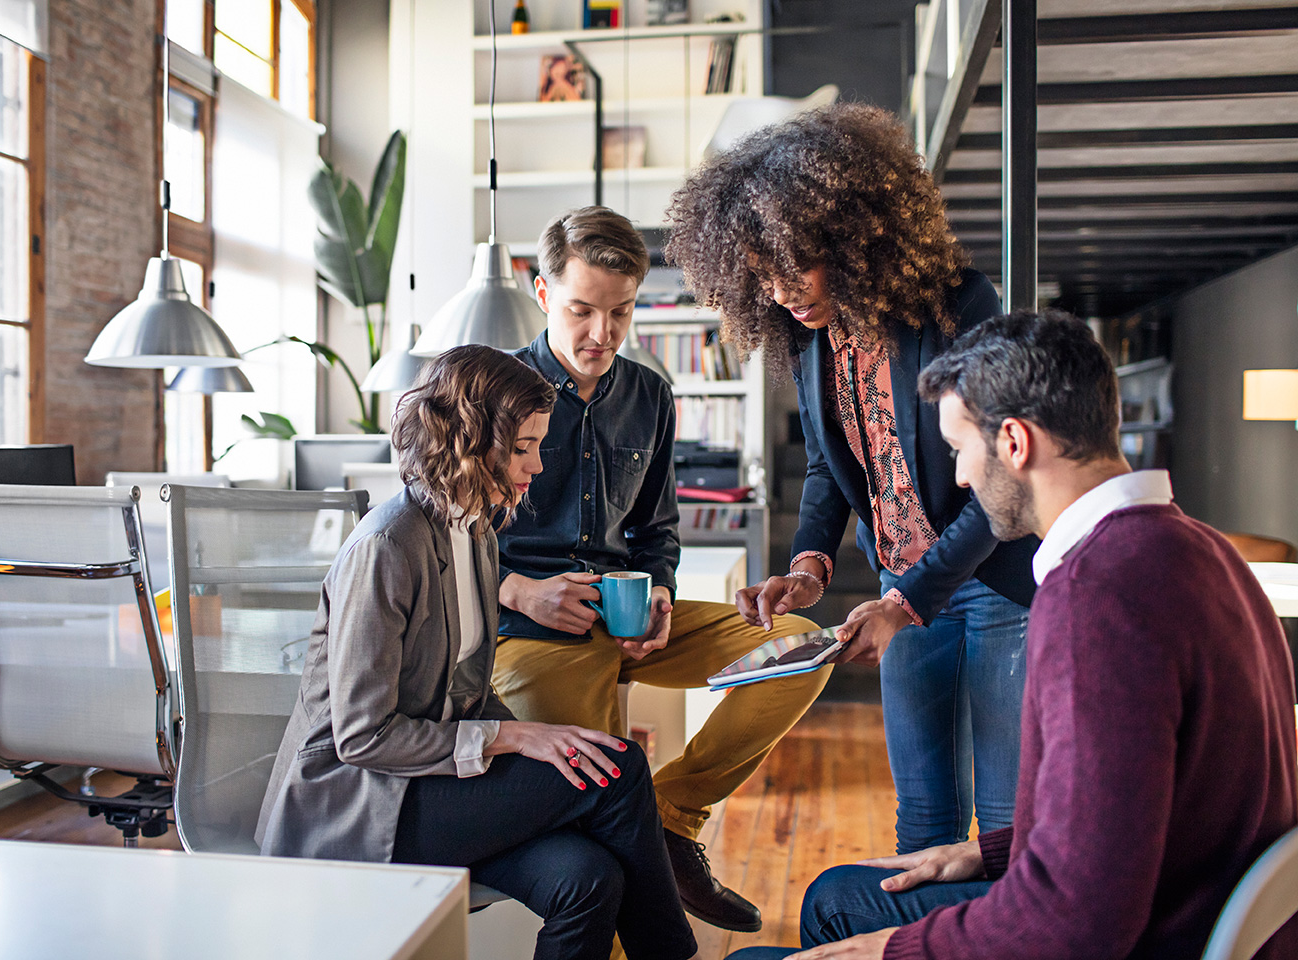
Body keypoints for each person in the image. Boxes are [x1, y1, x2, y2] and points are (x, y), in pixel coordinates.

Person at [729, 309, 1298, 960]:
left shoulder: (1094, 597)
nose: (960, 478)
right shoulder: (1206, 549)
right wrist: (985, 852)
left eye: (958, 450)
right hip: (1188, 904)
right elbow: (1126, 810)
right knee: (836, 896)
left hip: (1146, 935)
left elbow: (1076, 923)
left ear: (1015, 443)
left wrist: (890, 950)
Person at [665, 104, 1037, 854]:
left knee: (1005, 823)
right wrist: (807, 568)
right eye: (762, 276)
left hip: (993, 582)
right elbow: (828, 466)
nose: (780, 293)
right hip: (900, 582)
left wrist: (904, 603)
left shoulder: (957, 304)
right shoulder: (810, 338)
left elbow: (998, 480)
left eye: (794, 268)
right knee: (924, 819)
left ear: (851, 239)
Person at [256, 345, 697, 960]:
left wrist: (536, 743)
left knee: (589, 877)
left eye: (538, 445)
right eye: (522, 448)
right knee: (618, 769)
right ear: (466, 441)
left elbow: (466, 688)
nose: (537, 465)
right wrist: (513, 739)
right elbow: (361, 738)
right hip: (361, 803)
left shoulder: (476, 532)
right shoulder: (387, 547)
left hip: (435, 783)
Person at [493, 205, 832, 933]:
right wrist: (519, 589)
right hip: (530, 632)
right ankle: (641, 863)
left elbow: (656, 530)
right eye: (582, 310)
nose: (602, 333)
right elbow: (444, 535)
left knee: (803, 648)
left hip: (626, 618)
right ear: (543, 293)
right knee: (596, 813)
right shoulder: (493, 391)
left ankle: (671, 819)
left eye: (620, 312)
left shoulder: (649, 393)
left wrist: (663, 596)